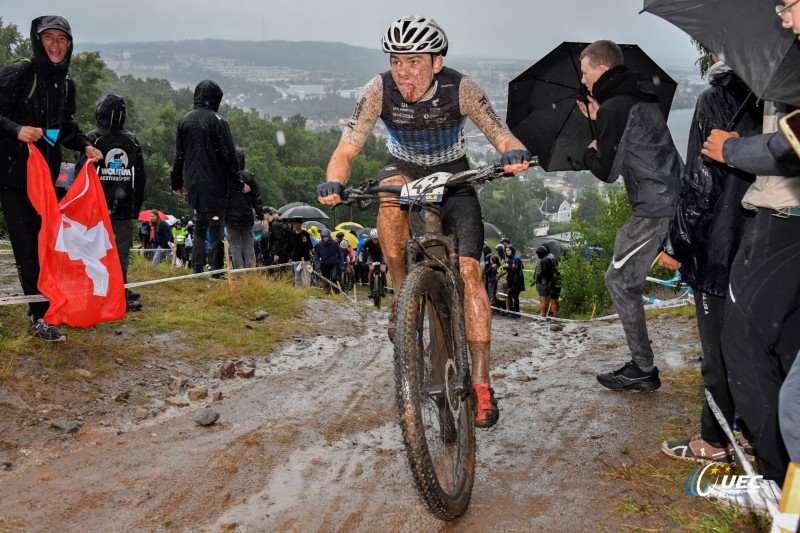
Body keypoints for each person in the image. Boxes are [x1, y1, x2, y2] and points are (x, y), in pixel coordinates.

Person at [316, 15, 531, 428]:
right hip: (404, 168)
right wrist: (333, 181)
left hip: (455, 176)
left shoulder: (460, 88)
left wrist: (512, 153)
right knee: (388, 192)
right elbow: (346, 150)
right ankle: (403, 295)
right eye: (397, 61)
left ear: (437, 62)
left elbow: (502, 134)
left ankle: (483, 383)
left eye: (414, 62)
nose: (403, 71)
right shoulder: (377, 90)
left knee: (470, 274)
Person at [656, 56, 762, 465]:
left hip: (721, 245)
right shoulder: (780, 102)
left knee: (718, 352)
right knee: (757, 346)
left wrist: (677, 244)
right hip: (767, 244)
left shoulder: (716, 100)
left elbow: (701, 182)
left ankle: (715, 440)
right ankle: (753, 434)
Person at [577, 39, 682, 392]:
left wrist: (591, 149)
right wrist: (599, 120)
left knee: (619, 281)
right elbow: (630, 148)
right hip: (670, 199)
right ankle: (643, 365)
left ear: (601, 69)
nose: (583, 79)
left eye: (585, 71)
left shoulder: (615, 108)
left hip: (655, 209)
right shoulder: (637, 97)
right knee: (626, 278)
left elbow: (606, 170)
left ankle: (643, 368)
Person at [0, 16, 103, 341]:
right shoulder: (20, 73)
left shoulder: (66, 84)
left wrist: (86, 145)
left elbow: (65, 126)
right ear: (38, 41)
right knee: (29, 246)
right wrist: (17, 130)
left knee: (47, 245)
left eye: (62, 38)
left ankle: (47, 308)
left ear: (70, 44)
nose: (56, 44)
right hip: (14, 177)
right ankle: (39, 316)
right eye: (49, 38)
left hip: (47, 180)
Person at [170, 79, 249, 279]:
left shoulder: (184, 121)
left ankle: (196, 268)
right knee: (215, 225)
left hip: (193, 183)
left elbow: (178, 155)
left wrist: (176, 182)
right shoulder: (218, 122)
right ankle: (215, 269)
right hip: (215, 184)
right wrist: (238, 183)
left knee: (199, 224)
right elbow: (230, 157)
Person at [76, 93, 147, 311]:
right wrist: (135, 207)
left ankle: (108, 291)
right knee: (119, 253)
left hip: (97, 207)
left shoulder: (93, 138)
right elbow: (141, 177)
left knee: (96, 251)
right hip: (122, 208)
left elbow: (80, 173)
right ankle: (115, 292)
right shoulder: (131, 140)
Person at [225, 147, 264, 270]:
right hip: (247, 216)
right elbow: (256, 197)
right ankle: (251, 272)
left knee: (235, 246)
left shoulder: (226, 176)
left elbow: (222, 197)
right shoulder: (250, 176)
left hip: (231, 217)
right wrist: (260, 214)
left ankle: (239, 271)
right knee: (248, 245)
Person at [359, 228, 387, 299]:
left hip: (381, 255)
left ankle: (384, 287)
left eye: (377, 239)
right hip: (372, 256)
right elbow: (361, 252)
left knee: (383, 270)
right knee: (371, 269)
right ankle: (371, 289)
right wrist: (360, 259)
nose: (376, 241)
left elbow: (388, 251)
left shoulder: (383, 241)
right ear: (371, 238)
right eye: (374, 239)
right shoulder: (367, 242)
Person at [287, 218, 314, 287]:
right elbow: (289, 247)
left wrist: (305, 242)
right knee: (297, 278)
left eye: (296, 223)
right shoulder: (292, 234)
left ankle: (307, 291)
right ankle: (299, 293)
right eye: (293, 224)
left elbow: (310, 245)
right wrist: (290, 257)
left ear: (300, 224)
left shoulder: (305, 234)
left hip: (305, 259)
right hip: (295, 259)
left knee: (306, 278)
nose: (294, 225)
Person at [534, 244, 560, 317]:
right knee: (552, 299)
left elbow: (538, 273)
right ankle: (554, 315)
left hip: (542, 282)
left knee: (543, 299)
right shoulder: (553, 258)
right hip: (552, 282)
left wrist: (535, 280)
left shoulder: (541, 261)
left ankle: (543, 314)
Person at [503, 246, 524, 317]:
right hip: (510, 280)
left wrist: (508, 266)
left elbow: (516, 269)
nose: (508, 252)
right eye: (506, 251)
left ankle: (516, 313)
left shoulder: (516, 259)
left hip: (517, 280)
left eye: (509, 250)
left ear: (512, 250)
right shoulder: (507, 259)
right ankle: (513, 311)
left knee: (515, 297)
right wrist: (505, 267)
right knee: (511, 296)